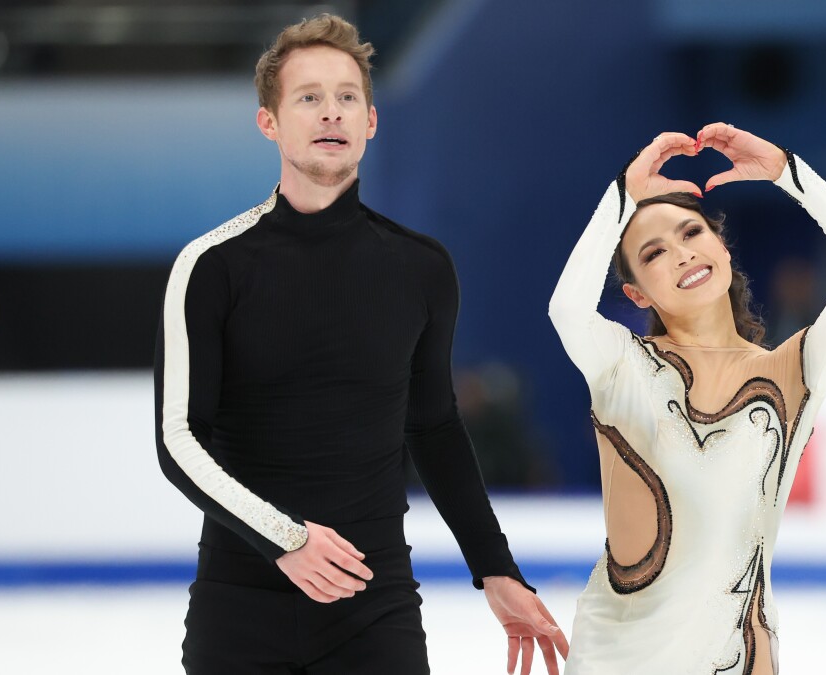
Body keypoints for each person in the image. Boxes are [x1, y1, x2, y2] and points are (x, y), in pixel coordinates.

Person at [154, 14, 567, 675]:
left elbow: (434, 427)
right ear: (269, 121)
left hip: (375, 613)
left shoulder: (420, 267)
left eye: (348, 96)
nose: (331, 112)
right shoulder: (212, 266)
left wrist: (495, 568)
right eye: (308, 97)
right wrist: (285, 539)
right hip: (240, 612)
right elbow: (179, 440)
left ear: (371, 122)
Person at [548, 125, 826, 673]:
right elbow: (567, 311)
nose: (683, 254)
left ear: (722, 246)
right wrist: (622, 194)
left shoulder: (790, 373)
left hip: (740, 655)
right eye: (656, 252)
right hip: (620, 657)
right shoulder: (622, 366)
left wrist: (787, 172)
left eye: (692, 233)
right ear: (637, 292)